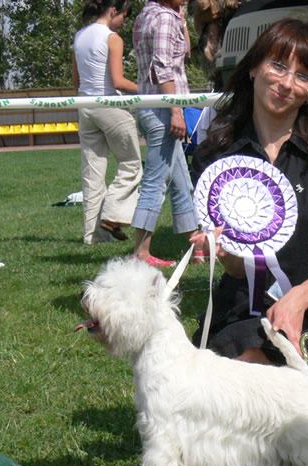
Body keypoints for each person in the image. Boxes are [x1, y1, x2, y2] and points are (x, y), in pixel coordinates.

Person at [189, 18, 308, 369]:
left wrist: (297, 301)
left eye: (303, 76)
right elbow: (239, 270)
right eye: (278, 65)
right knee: (250, 365)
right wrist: (222, 254)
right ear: (254, 67)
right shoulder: (213, 157)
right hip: (241, 311)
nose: (287, 83)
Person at [131, 0, 201, 268]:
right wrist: (175, 111)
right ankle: (140, 254)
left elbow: (184, 52)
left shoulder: (146, 16)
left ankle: (196, 242)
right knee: (155, 183)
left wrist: (181, 19)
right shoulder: (164, 18)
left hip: (149, 108)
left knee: (181, 180)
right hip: (163, 108)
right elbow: (163, 66)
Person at [73, 0, 142, 244]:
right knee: (132, 163)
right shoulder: (112, 39)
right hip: (109, 106)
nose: (124, 22)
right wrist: (148, 89)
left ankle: (93, 236)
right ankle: (112, 217)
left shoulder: (79, 36)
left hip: (85, 106)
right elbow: (119, 82)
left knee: (92, 174)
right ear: (114, 11)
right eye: (124, 15)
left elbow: (76, 80)